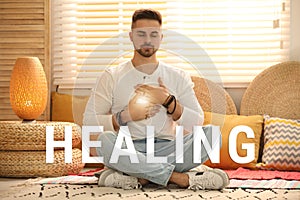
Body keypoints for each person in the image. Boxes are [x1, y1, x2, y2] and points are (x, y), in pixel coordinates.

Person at [83, 8, 229, 190]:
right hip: (128, 148)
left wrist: (167, 101)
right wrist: (126, 116)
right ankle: (179, 178)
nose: (147, 40)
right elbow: (88, 122)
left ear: (161, 37)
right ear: (131, 36)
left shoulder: (178, 76)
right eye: (141, 34)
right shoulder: (112, 76)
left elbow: (197, 123)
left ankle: (138, 176)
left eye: (153, 34)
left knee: (212, 134)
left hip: (168, 149)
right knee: (104, 141)